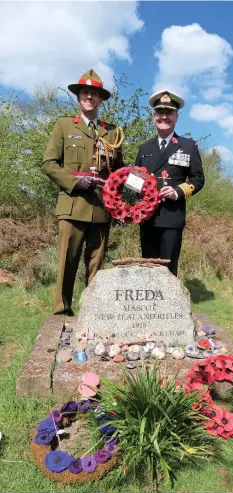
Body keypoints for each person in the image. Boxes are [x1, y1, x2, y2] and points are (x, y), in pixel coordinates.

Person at [43, 69, 124, 315]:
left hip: (101, 207)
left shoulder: (112, 132)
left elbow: (118, 172)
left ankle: (94, 312)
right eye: (85, 93)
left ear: (100, 99)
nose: (89, 97)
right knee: (67, 260)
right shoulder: (64, 125)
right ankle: (62, 311)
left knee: (96, 264)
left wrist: (130, 198)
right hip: (72, 203)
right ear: (79, 98)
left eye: (94, 93)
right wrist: (74, 182)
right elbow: (48, 164)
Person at [135, 89, 205, 276]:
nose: (164, 117)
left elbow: (198, 178)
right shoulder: (144, 148)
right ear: (154, 116)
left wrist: (177, 192)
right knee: (148, 271)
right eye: (160, 113)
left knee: (168, 272)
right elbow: (136, 181)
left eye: (169, 113)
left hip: (171, 219)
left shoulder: (188, 146)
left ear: (177, 116)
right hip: (148, 218)